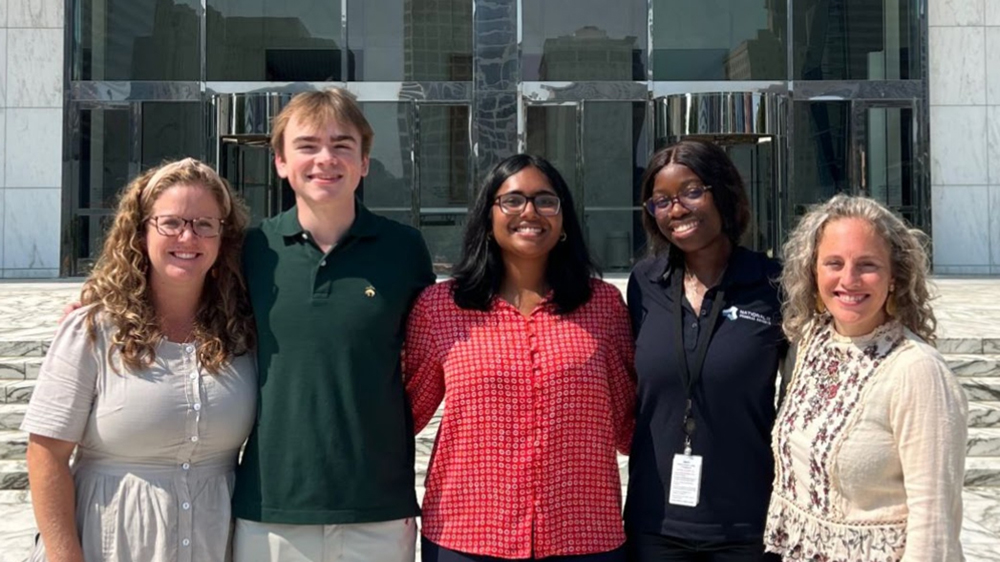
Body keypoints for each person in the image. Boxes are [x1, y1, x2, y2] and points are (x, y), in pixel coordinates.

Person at [230, 88, 435, 562]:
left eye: (342, 145)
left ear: (364, 162)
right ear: (280, 161)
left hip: (378, 508)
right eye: (307, 145)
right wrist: (100, 302)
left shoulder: (404, 249)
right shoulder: (249, 249)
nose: (326, 158)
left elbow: (430, 354)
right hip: (271, 505)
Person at [404, 154, 636, 561]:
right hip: (468, 533)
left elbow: (629, 424)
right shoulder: (441, 306)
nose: (530, 212)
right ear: (488, 217)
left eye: (546, 201)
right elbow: (404, 412)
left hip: (583, 535)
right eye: (512, 200)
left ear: (564, 220)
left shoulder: (604, 305)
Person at [23, 158, 257, 562]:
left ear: (224, 238)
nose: (188, 236)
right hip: (111, 544)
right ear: (140, 231)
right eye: (171, 223)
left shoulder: (242, 334)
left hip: (212, 545)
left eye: (205, 224)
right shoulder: (93, 330)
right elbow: (46, 453)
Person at [764, 194, 967, 561]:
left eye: (868, 265)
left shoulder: (917, 371)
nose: (849, 280)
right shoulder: (811, 342)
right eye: (834, 263)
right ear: (813, 272)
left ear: (894, 278)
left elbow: (934, 525)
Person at [625, 139, 786, 561]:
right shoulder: (645, 283)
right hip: (655, 522)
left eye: (692, 192)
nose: (676, 210)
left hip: (748, 521)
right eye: (661, 201)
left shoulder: (775, 284)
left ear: (724, 192)